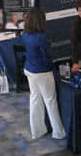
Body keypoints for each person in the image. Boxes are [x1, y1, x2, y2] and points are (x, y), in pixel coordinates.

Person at [20, 8, 66, 140]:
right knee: (50, 101)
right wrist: (51, 67)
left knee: (35, 99)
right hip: (42, 72)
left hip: (29, 70)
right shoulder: (41, 38)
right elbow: (47, 57)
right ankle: (58, 132)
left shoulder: (25, 34)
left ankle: (37, 131)